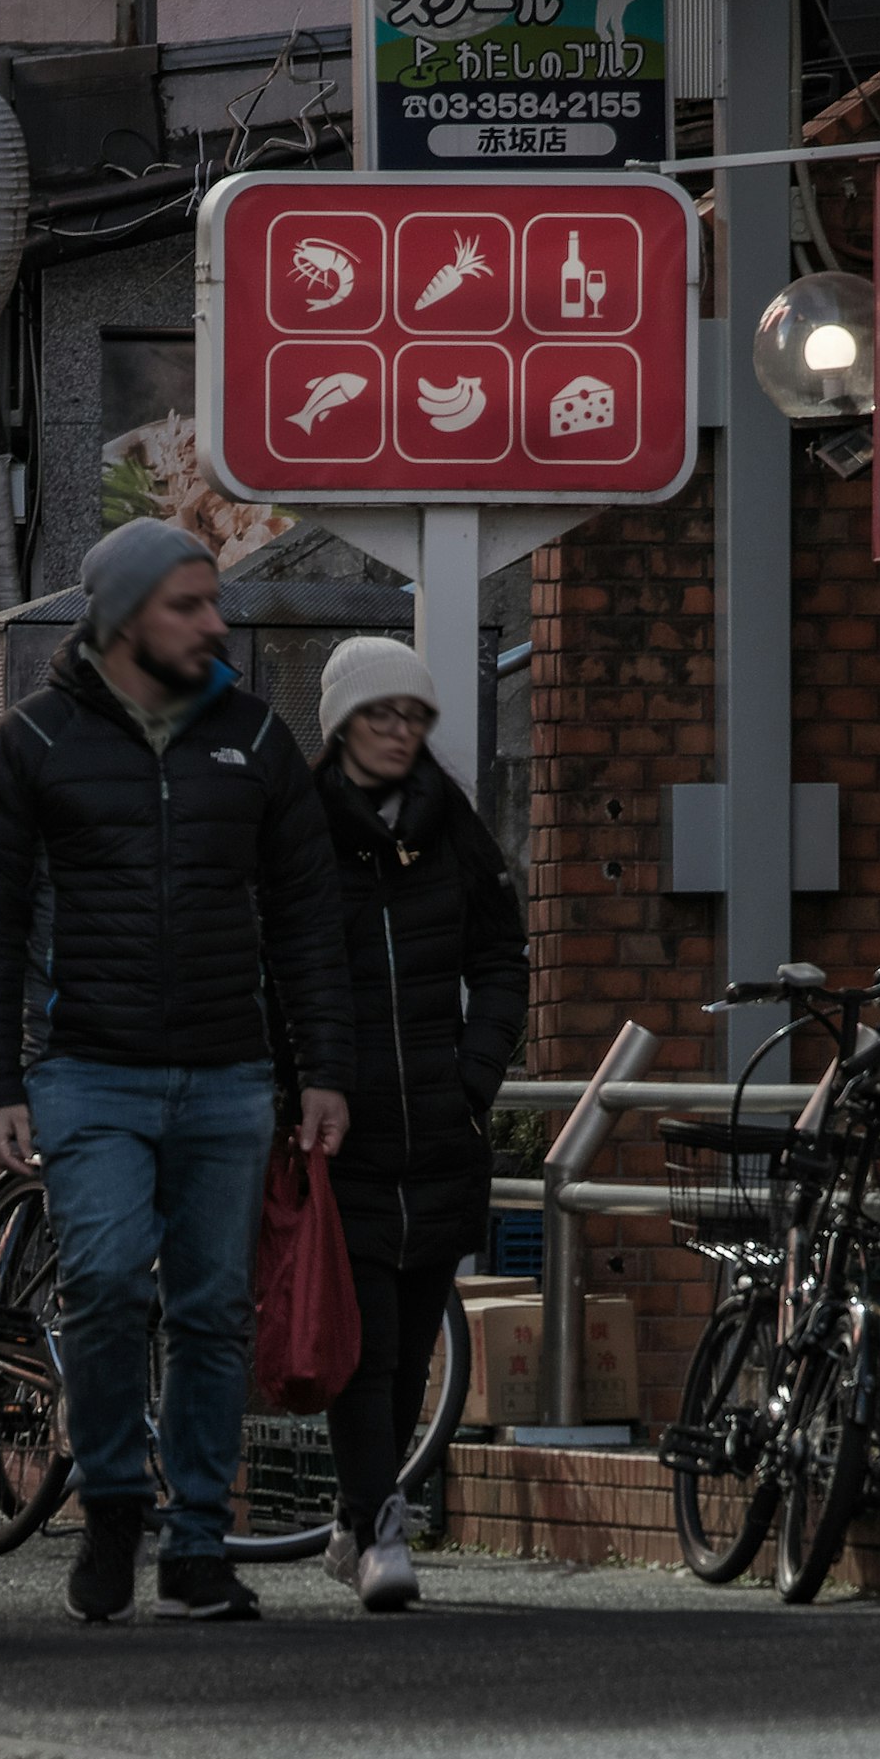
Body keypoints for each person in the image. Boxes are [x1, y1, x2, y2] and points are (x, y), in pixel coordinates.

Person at [0, 519, 354, 1625]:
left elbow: (307, 914)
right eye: (189, 604)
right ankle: (116, 1504)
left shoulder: (258, 741)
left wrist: (321, 1067)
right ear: (125, 615)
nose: (213, 622)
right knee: (112, 1281)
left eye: (214, 600)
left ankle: (194, 1545)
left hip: (230, 1071)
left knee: (217, 1309)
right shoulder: (33, 742)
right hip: (88, 1070)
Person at [303, 640, 527, 1614]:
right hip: (341, 1134)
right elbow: (276, 962)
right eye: (381, 714)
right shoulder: (302, 831)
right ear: (343, 723)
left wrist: (474, 1076)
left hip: (439, 1130)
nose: (400, 734)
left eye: (414, 717)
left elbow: (503, 957)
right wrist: (303, 1083)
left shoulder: (452, 828)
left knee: (411, 1349)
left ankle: (357, 1516)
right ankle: (382, 1524)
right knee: (366, 1344)